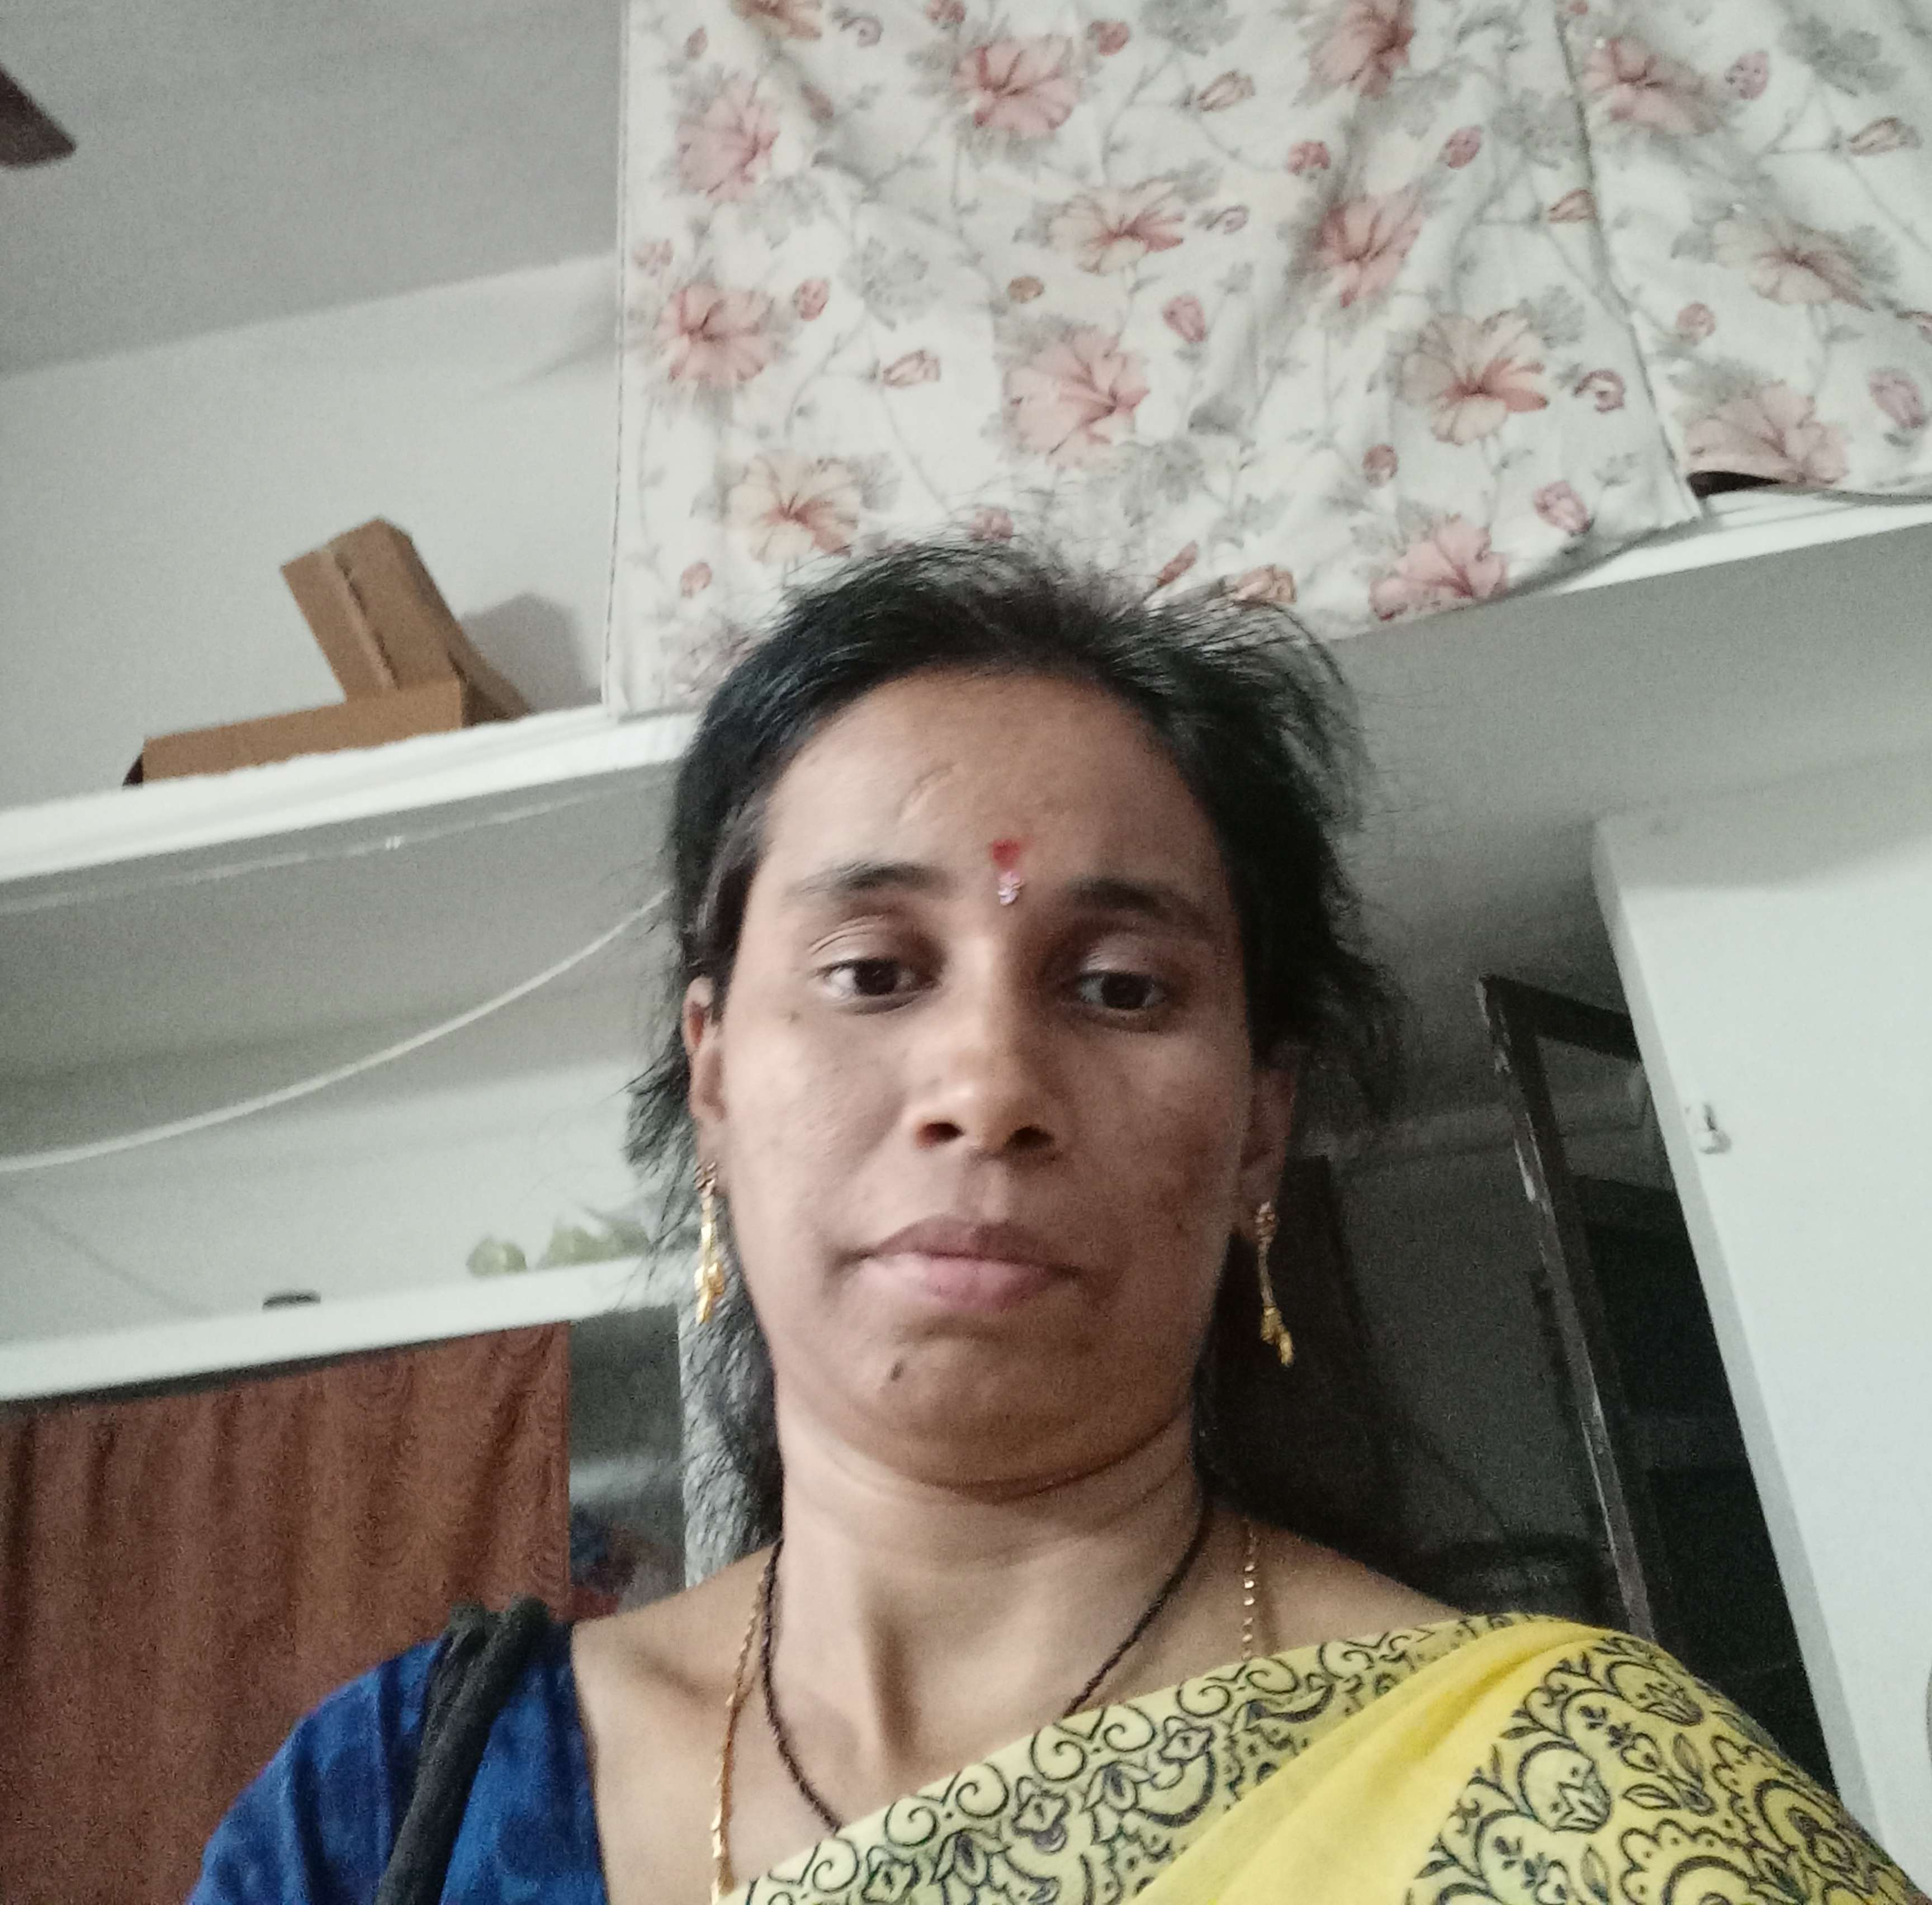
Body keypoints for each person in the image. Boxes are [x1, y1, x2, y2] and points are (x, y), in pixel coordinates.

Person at [191, 544, 1918, 1905]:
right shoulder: (394, 1804)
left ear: (1259, 1126)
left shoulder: (1582, 1806)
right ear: (711, 1076)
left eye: (1119, 987)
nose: (987, 1087)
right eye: (873, 972)